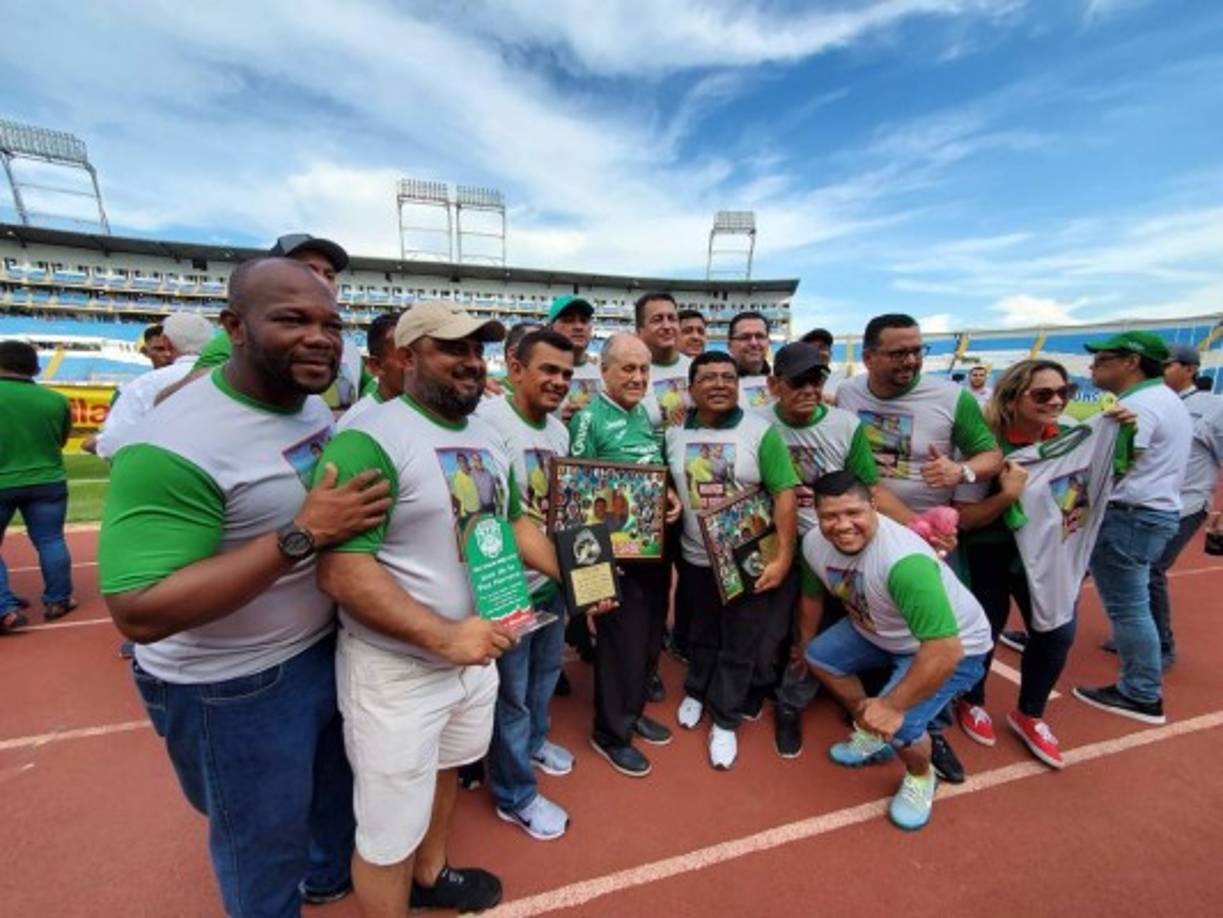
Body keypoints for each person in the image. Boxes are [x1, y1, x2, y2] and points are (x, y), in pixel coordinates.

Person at [98, 258, 392, 916]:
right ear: (234, 326)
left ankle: (324, 880)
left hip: (319, 648)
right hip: (232, 687)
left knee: (327, 808)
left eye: (330, 323)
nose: (320, 336)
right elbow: (139, 611)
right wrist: (302, 534)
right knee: (260, 846)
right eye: (292, 319)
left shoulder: (305, 401)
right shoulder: (175, 443)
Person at [314, 301, 565, 917]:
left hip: (475, 651)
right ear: (405, 356)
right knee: (385, 830)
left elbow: (510, 525)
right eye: (453, 348)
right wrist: (444, 637)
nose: (472, 362)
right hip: (397, 669)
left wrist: (585, 580)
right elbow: (342, 571)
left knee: (451, 769)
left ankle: (432, 872)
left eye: (478, 350)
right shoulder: (368, 439)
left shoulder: (485, 435)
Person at [836, 313, 1003, 783]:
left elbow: (991, 456)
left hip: (932, 543)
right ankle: (877, 720)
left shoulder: (953, 397)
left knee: (934, 637)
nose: (910, 360)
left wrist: (961, 473)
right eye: (897, 352)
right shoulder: (847, 393)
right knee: (875, 624)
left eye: (917, 350)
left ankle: (930, 733)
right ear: (868, 357)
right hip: (865, 534)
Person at [798, 471, 993, 830]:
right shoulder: (812, 543)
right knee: (820, 658)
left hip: (952, 647)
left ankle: (921, 775)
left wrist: (890, 708)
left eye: (853, 513)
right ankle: (872, 732)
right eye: (830, 516)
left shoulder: (904, 564)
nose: (842, 525)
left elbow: (944, 651)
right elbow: (811, 596)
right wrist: (803, 641)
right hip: (878, 630)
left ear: (874, 507)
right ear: (815, 515)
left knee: (904, 726)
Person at [763, 342, 907, 758]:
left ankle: (864, 707)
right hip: (785, 545)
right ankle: (788, 702)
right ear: (775, 385)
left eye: (817, 379)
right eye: (798, 381)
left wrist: (918, 526)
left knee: (855, 626)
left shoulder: (846, 425)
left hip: (844, 548)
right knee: (785, 630)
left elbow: (871, 486)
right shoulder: (757, 422)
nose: (810, 389)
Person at [952, 360, 1096, 766]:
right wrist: (1006, 497)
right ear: (1013, 398)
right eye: (1042, 393)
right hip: (992, 551)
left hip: (1052, 557)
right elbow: (963, 520)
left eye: (1062, 392)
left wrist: (1120, 432)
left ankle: (1030, 713)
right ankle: (972, 699)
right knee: (985, 628)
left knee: (1057, 631)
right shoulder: (986, 447)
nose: (1055, 401)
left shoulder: (1074, 440)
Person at [668, 351, 799, 770]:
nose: (720, 384)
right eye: (708, 378)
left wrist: (782, 556)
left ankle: (725, 719)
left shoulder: (760, 432)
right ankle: (696, 690)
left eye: (728, 377)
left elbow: (784, 494)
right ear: (691, 388)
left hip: (747, 559)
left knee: (741, 641)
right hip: (694, 557)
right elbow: (666, 484)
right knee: (701, 632)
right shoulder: (672, 435)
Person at [476, 328, 576, 840]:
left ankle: (535, 743)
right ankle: (514, 794)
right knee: (510, 695)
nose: (559, 381)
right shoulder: (488, 424)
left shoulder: (559, 432)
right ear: (515, 368)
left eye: (566, 373)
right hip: (508, 587)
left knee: (544, 676)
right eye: (548, 370)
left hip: (551, 578)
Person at [569, 333, 682, 777]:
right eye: (628, 369)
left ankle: (632, 711)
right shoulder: (588, 419)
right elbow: (577, 495)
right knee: (621, 645)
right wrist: (594, 571)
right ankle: (610, 733)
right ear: (604, 371)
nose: (638, 378)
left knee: (651, 637)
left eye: (644, 370)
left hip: (653, 550)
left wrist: (669, 494)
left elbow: (651, 474)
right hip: (615, 555)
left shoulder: (644, 415)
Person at [1072, 331, 1192, 723]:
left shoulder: (1142, 404)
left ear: (1131, 362)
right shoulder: (1165, 399)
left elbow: (1117, 466)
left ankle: (1141, 692)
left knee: (1128, 607)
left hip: (1129, 515)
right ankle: (1047, 632)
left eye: (1103, 359)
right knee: (1080, 582)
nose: (1093, 366)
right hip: (1148, 513)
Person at [157, 233, 355, 405]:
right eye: (308, 270)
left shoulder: (348, 347)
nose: (321, 281)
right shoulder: (245, 337)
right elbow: (171, 400)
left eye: (329, 275)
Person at [1141, 344, 1223, 666]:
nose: (1161, 370)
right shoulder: (1152, 403)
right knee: (1130, 570)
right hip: (1149, 501)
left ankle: (1162, 647)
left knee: (1151, 570)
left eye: (1168, 364)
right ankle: (1138, 635)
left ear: (1190, 369)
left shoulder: (1213, 406)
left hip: (1187, 503)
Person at [0, 340, 76, 631]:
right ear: (34, 367)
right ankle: (58, 600)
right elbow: (61, 438)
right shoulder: (55, 400)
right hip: (47, 479)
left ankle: (5, 607)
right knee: (51, 540)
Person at [95, 313, 214, 459]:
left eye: (162, 348)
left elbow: (112, 445)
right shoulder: (232, 378)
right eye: (157, 350)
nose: (163, 355)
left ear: (167, 342)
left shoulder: (141, 386)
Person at [336, 311, 405, 431]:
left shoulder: (432, 412)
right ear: (376, 366)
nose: (420, 364)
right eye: (404, 356)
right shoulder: (355, 425)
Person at [635, 292, 692, 432]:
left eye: (672, 318)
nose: (667, 326)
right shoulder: (626, 374)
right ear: (639, 330)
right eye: (657, 319)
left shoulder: (695, 369)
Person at [547, 295, 601, 420]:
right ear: (550, 328)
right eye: (568, 320)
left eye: (584, 320)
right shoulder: (538, 374)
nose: (578, 326)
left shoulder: (604, 375)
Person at [727, 311, 774, 411]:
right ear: (729, 345)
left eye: (760, 336)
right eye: (745, 337)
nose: (753, 343)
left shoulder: (783, 381)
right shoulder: (717, 385)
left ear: (769, 342)